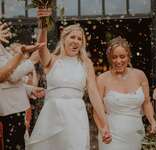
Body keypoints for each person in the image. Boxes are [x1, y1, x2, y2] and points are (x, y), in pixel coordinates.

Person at [26, 8, 111, 150]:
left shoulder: (86, 63)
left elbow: (94, 94)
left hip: (76, 116)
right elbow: (41, 47)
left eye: (80, 39)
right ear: (63, 38)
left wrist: (104, 124)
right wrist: (43, 25)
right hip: (52, 114)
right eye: (72, 37)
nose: (76, 41)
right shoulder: (52, 60)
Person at [93, 36, 156, 150]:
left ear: (128, 56)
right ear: (109, 58)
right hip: (111, 135)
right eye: (114, 57)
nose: (118, 61)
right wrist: (103, 129)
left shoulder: (140, 75)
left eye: (122, 57)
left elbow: (147, 103)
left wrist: (152, 121)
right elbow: (97, 111)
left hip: (136, 133)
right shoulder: (102, 79)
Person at [0, 22, 45, 150]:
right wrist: (32, 61)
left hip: (14, 108)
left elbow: (6, 82)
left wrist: (29, 89)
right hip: (10, 110)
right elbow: (9, 75)